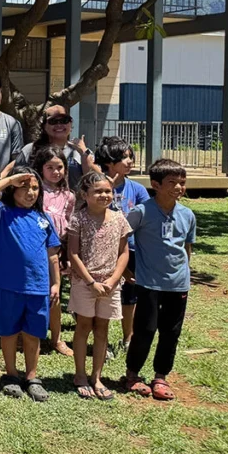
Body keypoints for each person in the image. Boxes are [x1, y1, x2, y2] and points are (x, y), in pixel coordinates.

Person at [0, 169, 61, 403]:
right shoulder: (3, 213)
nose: (31, 192)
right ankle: (11, 374)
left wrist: (55, 283)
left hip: (38, 287)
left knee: (34, 332)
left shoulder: (44, 219)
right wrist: (10, 180)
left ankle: (32, 376)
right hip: (9, 285)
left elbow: (52, 255)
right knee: (9, 331)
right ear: (13, 190)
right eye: (24, 187)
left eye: (35, 188)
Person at [120, 159, 195, 403]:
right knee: (145, 330)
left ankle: (160, 376)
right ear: (156, 184)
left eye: (182, 183)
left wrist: (185, 272)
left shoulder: (187, 215)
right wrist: (124, 271)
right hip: (149, 283)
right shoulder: (142, 211)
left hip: (178, 284)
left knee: (171, 333)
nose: (178, 188)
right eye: (172, 182)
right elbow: (121, 238)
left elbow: (187, 247)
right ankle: (132, 374)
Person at [68, 171, 131, 401]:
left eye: (108, 191)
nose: (105, 195)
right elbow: (73, 253)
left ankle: (97, 376)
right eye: (98, 191)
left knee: (102, 328)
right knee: (84, 325)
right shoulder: (78, 219)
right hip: (86, 283)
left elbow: (124, 253)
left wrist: (113, 280)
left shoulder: (119, 218)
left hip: (110, 284)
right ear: (85, 194)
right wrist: (91, 282)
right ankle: (80, 375)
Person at [94, 136, 149, 349]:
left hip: (131, 250)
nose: (129, 161)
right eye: (123, 158)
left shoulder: (137, 189)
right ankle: (102, 342)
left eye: (130, 157)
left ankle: (129, 338)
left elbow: (146, 219)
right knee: (103, 298)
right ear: (109, 161)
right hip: (102, 252)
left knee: (130, 297)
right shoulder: (96, 185)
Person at [33, 145, 76, 357]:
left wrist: (65, 254)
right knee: (32, 294)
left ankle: (57, 338)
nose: (55, 172)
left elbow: (68, 227)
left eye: (59, 167)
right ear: (41, 169)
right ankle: (30, 336)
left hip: (55, 252)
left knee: (54, 294)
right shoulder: (34, 191)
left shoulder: (69, 196)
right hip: (34, 251)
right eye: (50, 167)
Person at [9, 104, 97, 189]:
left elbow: (94, 182)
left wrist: (84, 154)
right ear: (44, 126)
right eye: (53, 121)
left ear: (71, 124)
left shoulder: (81, 151)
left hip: (73, 203)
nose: (59, 125)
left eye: (64, 120)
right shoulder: (30, 150)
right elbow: (17, 179)